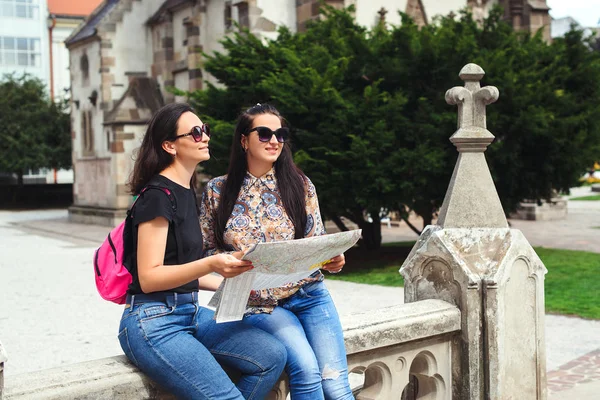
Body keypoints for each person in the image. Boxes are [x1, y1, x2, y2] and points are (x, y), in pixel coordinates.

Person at [118, 103, 287, 400]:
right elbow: (150, 277)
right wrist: (211, 263)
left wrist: (240, 275)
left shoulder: (186, 190)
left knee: (270, 356)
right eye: (195, 133)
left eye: (204, 130)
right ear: (170, 145)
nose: (205, 137)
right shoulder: (157, 196)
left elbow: (183, 272)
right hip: (153, 322)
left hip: (190, 311)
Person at [200, 103, 354, 399]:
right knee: (307, 371)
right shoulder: (217, 191)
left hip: (310, 296)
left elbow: (315, 242)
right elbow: (207, 254)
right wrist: (234, 261)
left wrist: (332, 259)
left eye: (280, 134)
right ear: (244, 140)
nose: (274, 140)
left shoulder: (300, 184)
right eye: (265, 133)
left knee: (336, 384)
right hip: (259, 304)